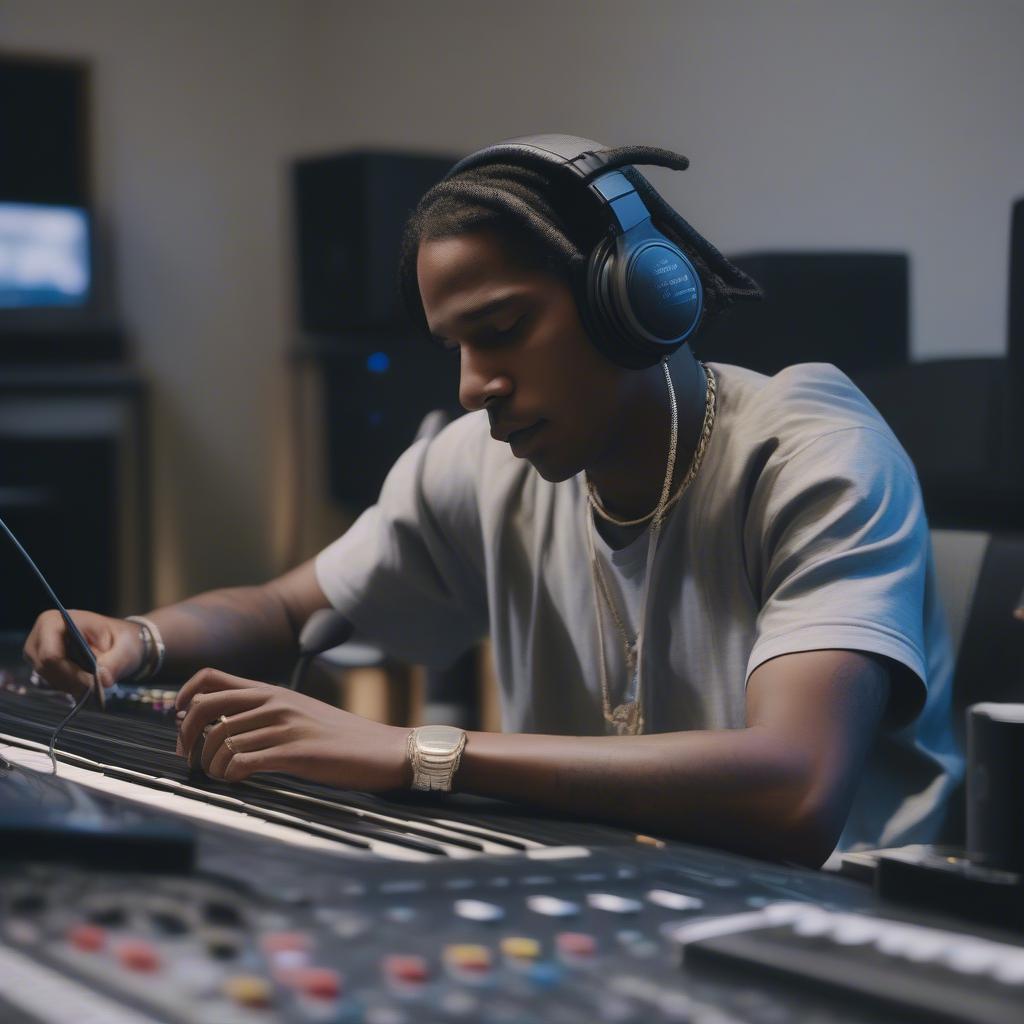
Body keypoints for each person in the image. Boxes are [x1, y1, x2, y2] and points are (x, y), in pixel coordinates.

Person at [23, 136, 962, 868]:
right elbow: (285, 611)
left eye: (503, 330)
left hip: (839, 917)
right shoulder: (479, 462)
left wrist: (413, 753)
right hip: (606, 882)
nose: (474, 385)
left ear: (632, 298)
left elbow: (794, 791)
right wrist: (143, 640)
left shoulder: (817, 455)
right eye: (454, 348)